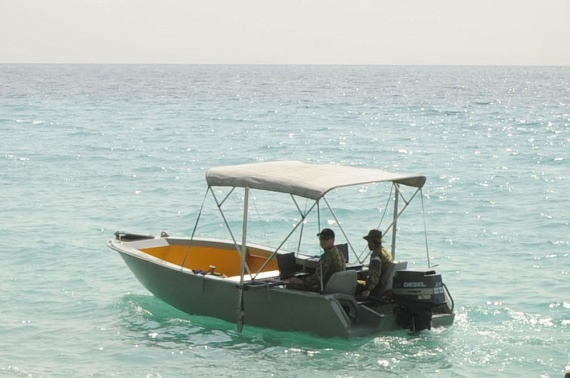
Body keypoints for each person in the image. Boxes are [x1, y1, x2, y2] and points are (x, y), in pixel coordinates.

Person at [285, 228, 346, 292]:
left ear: (333, 240)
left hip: (325, 289)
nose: (323, 241)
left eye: (326, 239)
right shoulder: (339, 252)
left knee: (291, 285)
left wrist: (301, 281)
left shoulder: (326, 257)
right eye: (321, 238)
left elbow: (318, 279)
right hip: (335, 287)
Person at [357, 229, 393, 300]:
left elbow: (375, 273)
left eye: (368, 242)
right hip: (384, 285)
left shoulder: (376, 254)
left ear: (372, 242)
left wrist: (368, 289)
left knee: (353, 283)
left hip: (376, 287)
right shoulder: (386, 252)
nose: (368, 244)